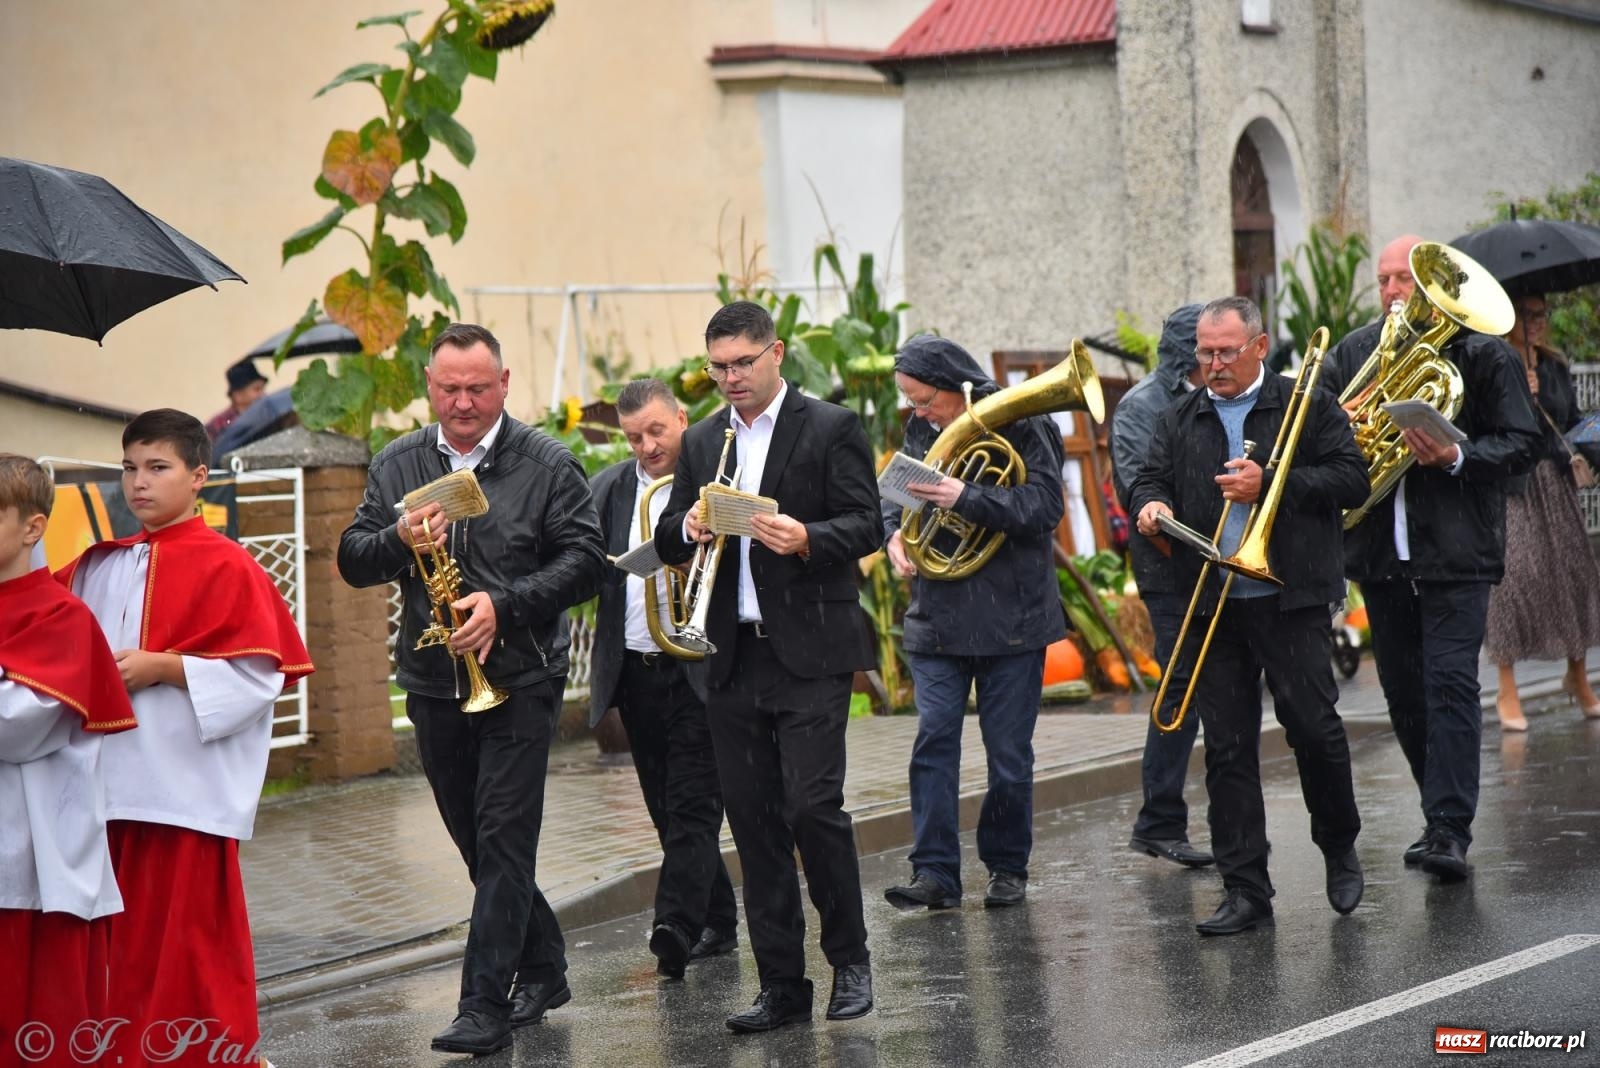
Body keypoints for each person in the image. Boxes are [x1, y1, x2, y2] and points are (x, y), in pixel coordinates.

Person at [339, 324, 603, 1056]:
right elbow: (354, 561)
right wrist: (400, 542)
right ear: (429, 384)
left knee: (504, 837)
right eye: (449, 388)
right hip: (432, 682)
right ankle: (545, 967)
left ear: (506, 383)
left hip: (520, 677)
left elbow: (586, 561)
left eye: (477, 389)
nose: (462, 403)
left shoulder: (547, 462)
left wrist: (504, 606)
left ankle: (481, 1006)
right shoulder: (398, 463)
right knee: (477, 844)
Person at [58, 410, 312, 1067]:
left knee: (188, 945)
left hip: (181, 795)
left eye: (157, 467)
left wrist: (165, 668)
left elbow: (261, 679)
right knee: (123, 947)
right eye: (129, 468)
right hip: (106, 794)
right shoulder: (97, 566)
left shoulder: (228, 567)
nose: (138, 483)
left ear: (199, 477)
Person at [655, 301, 879, 1034]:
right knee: (752, 826)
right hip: (732, 655)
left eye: (743, 363)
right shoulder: (700, 440)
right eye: (718, 366)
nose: (730, 378)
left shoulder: (830, 426)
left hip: (810, 650)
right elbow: (666, 533)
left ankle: (850, 960)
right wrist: (684, 526)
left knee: (812, 809)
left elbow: (867, 524)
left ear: (775, 353)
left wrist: (805, 537)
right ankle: (783, 987)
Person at [1129, 296, 1369, 936]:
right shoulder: (1181, 415)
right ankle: (1245, 889)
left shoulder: (1304, 402)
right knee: (1228, 748)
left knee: (1314, 730)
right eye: (1205, 353)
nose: (1213, 364)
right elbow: (1147, 479)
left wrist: (1273, 486)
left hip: (1289, 598)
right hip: (1214, 601)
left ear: (1259, 347)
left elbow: (1354, 480)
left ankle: (1339, 846)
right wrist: (1150, 505)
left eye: (1226, 352)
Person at [1324, 237, 1541, 883]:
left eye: (1406, 280)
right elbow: (1314, 434)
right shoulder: (1355, 352)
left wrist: (1456, 458)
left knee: (1449, 684)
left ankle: (1449, 827)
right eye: (1385, 279)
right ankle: (1436, 813)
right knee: (1404, 694)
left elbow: (1522, 443)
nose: (1393, 291)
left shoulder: (1483, 355)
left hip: (1456, 552)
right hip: (1381, 555)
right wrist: (1337, 423)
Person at [879, 335, 1067, 911]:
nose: (917, 414)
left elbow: (1044, 508)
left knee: (1008, 755)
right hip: (937, 616)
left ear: (956, 389)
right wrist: (892, 532)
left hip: (1013, 617)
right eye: (910, 402)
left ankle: (1007, 866)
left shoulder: (1024, 422)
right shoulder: (921, 427)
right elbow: (895, 491)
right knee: (934, 742)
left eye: (924, 401)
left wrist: (966, 496)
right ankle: (934, 873)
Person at [586, 377, 738, 976]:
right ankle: (719, 923)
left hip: (699, 667)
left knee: (695, 805)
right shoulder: (611, 488)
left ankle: (673, 924)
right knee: (666, 811)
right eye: (633, 437)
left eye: (656, 430)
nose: (647, 446)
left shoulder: (713, 482)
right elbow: (582, 561)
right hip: (638, 669)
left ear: (681, 418)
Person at [0, 455, 136, 1065]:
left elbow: (20, 727)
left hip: (33, 865)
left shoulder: (62, 616)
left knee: (43, 1034)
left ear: (32, 528)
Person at [1108, 303, 1216, 869]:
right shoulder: (1140, 407)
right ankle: (1160, 822)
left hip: (1224, 561)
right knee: (1182, 689)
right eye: (1206, 353)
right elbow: (1138, 491)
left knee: (1220, 691)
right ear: (1185, 354)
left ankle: (1222, 821)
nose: (1214, 364)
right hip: (1170, 567)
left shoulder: (1220, 394)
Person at [1483, 293, 1600, 729]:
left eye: (1540, 314)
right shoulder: (1492, 360)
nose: (1535, 322)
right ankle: (1506, 685)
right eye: (1526, 315)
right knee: (1514, 581)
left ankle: (1578, 674)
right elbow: (1486, 423)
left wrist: (1543, 396)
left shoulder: (1553, 365)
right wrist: (1518, 393)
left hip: (1554, 480)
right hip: (1514, 483)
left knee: (1575, 574)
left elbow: (1571, 418)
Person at [204, 357, 269, 441]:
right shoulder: (218, 426)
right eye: (257, 389)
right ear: (238, 395)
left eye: (262, 389)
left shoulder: (266, 416)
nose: (263, 394)